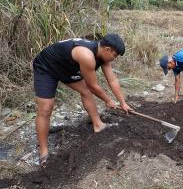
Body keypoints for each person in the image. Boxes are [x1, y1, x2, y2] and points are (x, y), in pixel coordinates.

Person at [32, 33, 133, 165]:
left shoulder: (103, 56)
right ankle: (44, 152)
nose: (114, 58)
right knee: (46, 108)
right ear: (107, 49)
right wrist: (108, 100)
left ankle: (98, 125)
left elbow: (112, 80)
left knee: (84, 91)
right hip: (47, 66)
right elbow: (93, 85)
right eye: (115, 55)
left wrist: (123, 103)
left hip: (66, 68)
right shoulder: (86, 55)